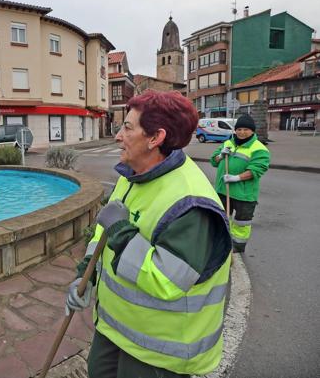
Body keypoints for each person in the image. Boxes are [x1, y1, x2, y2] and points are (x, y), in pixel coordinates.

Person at [66, 90, 231, 378]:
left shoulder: (190, 203)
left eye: (128, 128)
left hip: (160, 351)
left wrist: (121, 232)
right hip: (113, 329)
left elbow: (166, 281)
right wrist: (86, 275)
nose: (118, 135)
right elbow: (101, 237)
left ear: (155, 138)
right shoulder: (132, 176)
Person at [210, 114, 270, 253]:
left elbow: (256, 170)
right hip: (223, 190)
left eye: (246, 129)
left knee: (241, 223)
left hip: (245, 194)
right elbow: (213, 161)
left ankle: (237, 246)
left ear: (252, 131)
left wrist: (236, 178)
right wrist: (221, 155)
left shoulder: (259, 149)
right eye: (239, 129)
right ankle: (221, 242)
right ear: (235, 130)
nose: (242, 132)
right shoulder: (228, 143)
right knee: (222, 218)